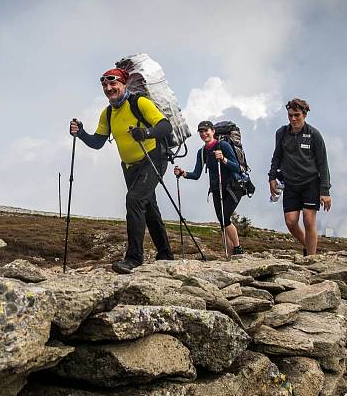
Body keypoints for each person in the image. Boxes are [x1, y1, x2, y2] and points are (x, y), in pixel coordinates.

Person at [69, 68, 175, 274]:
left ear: (123, 84)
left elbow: (165, 126)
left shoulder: (139, 103)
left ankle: (133, 258)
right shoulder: (107, 113)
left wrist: (145, 132)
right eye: (105, 86)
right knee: (148, 207)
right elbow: (97, 142)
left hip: (154, 157)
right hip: (129, 166)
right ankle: (165, 254)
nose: (109, 89)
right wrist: (81, 133)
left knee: (134, 199)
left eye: (113, 84)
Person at [268, 98, 331, 256]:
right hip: (290, 183)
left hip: (310, 182)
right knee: (291, 221)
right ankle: (310, 247)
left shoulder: (314, 135)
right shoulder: (281, 133)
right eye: (290, 115)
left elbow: (323, 163)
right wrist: (272, 177)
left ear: (304, 115)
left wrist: (325, 191)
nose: (293, 119)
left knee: (309, 220)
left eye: (297, 115)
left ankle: (311, 258)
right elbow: (276, 157)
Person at [173, 120, 245, 256]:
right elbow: (196, 174)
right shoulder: (202, 152)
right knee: (223, 222)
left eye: (206, 131)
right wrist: (183, 173)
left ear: (213, 131)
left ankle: (238, 248)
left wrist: (223, 159)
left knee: (225, 218)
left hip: (233, 187)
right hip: (216, 189)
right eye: (201, 132)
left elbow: (237, 167)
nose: (204, 134)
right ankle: (230, 255)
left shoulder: (222, 145)